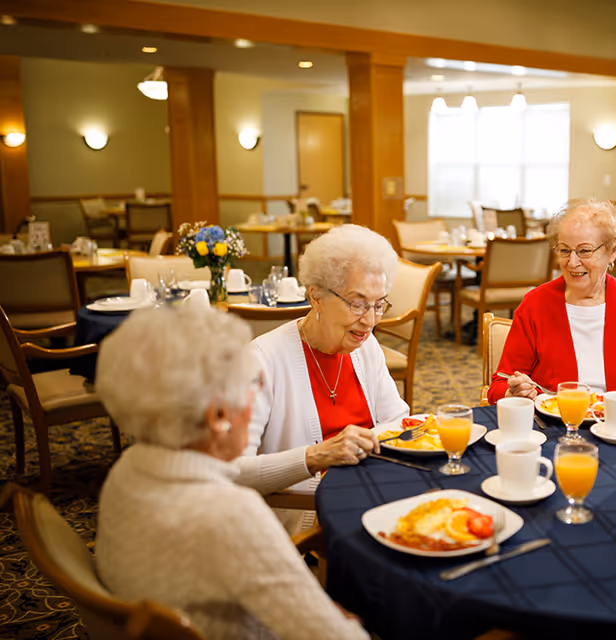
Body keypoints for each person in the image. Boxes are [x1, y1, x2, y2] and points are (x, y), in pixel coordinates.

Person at [95, 307, 368, 640]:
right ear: (218, 416)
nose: (255, 401)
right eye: (251, 386)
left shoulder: (127, 470)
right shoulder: (231, 515)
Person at [247, 225, 407, 496]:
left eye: (379, 305)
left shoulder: (365, 346)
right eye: (357, 304)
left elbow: (397, 420)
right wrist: (314, 457)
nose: (369, 321)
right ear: (316, 296)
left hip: (373, 491)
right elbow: (230, 471)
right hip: (309, 516)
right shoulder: (263, 360)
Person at [488, 200, 616, 404]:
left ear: (612, 251)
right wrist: (513, 392)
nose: (572, 262)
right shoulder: (536, 303)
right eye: (564, 250)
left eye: (584, 251)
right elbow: (500, 384)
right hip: (552, 428)